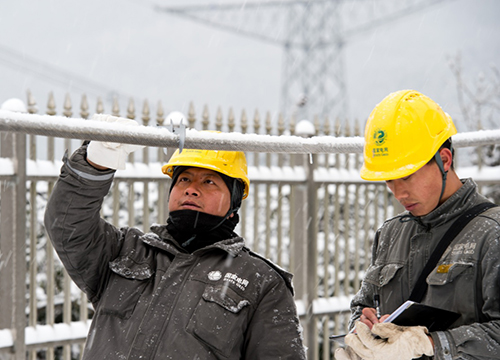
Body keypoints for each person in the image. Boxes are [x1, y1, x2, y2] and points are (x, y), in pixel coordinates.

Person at [44, 114, 306, 360]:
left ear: (233, 204)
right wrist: (95, 163)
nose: (191, 189)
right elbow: (67, 224)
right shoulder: (126, 252)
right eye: (183, 179)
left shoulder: (261, 282)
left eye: (209, 182)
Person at [335, 90, 500, 360]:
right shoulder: (391, 233)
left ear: (444, 160)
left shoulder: (492, 232)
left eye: (407, 176)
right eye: (389, 180)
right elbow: (364, 305)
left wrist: (431, 345)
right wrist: (364, 327)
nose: (398, 193)